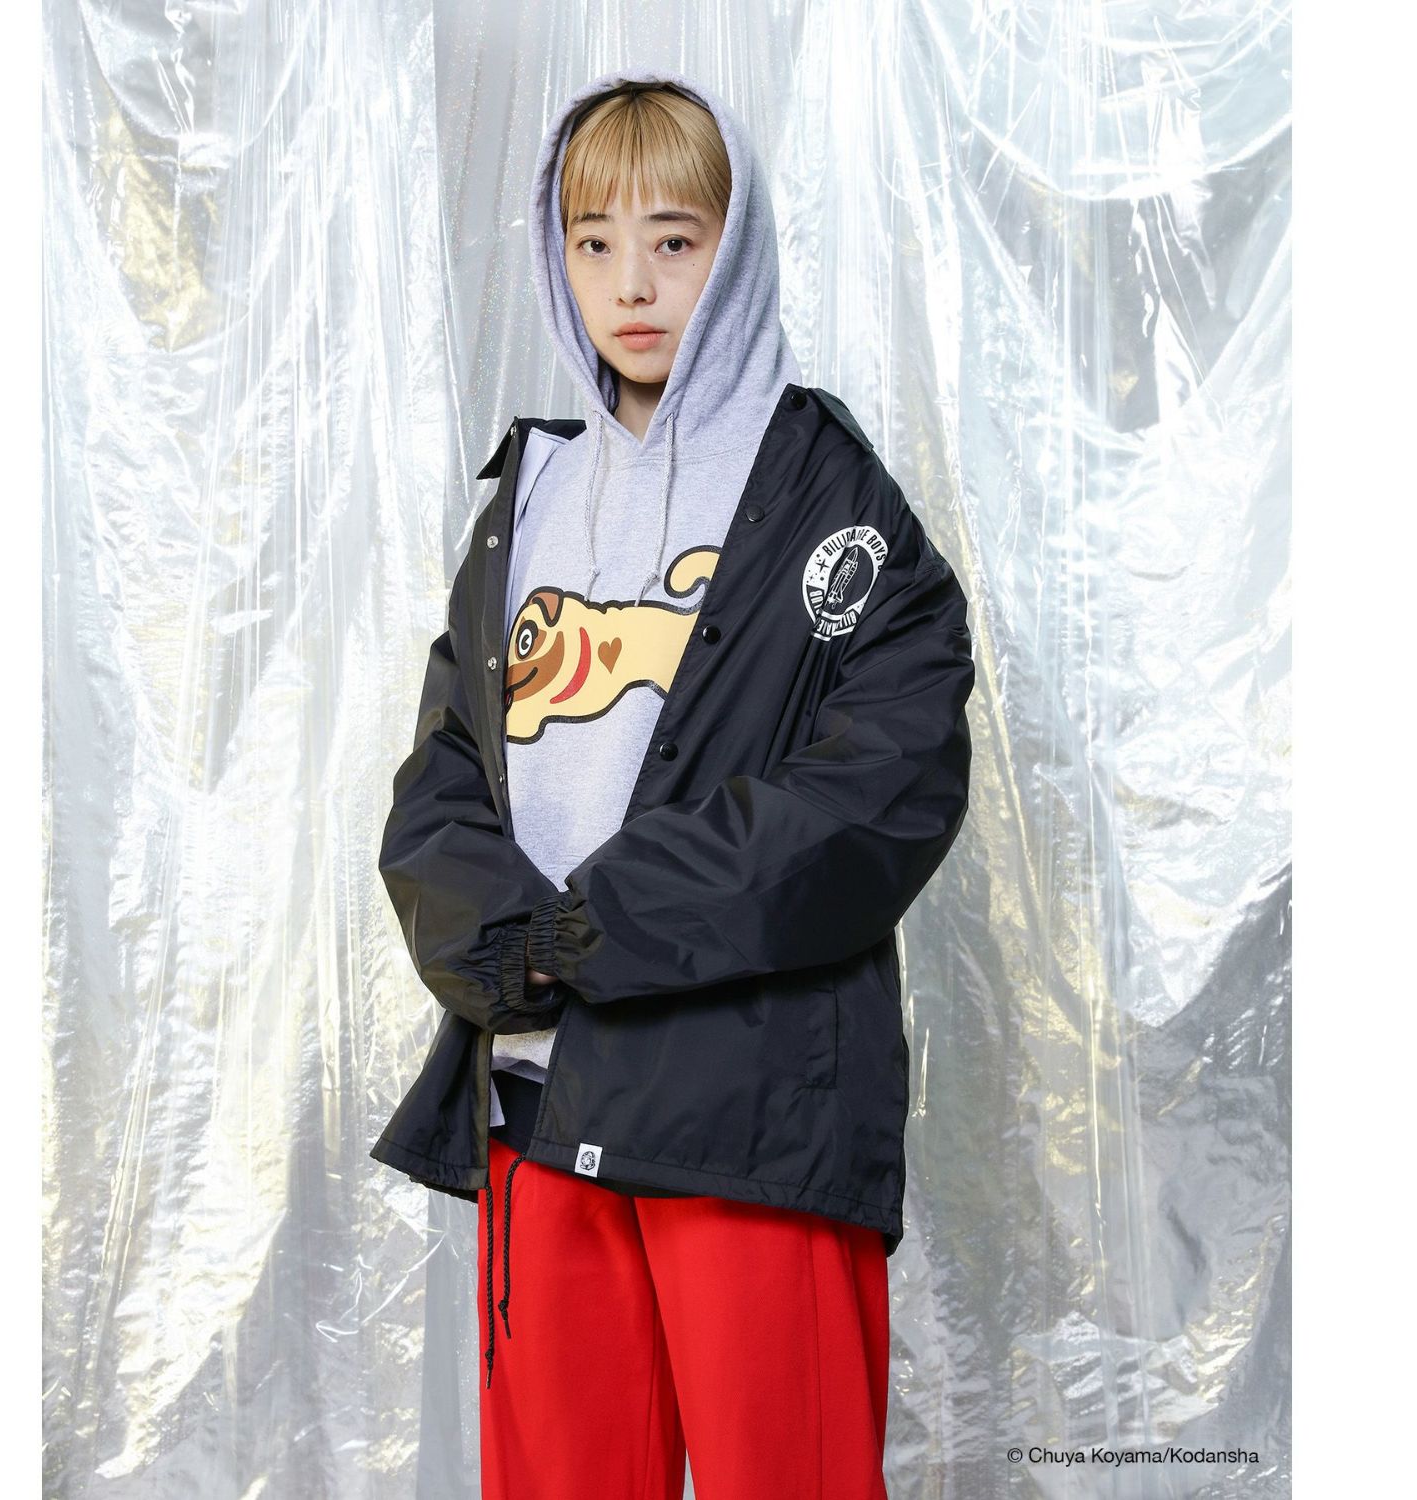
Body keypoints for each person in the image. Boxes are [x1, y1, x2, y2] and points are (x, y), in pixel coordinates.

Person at [371, 70, 975, 1500]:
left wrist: (595, 927)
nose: (631, 284)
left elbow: (877, 794)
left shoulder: (831, 499)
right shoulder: (528, 499)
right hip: (537, 1099)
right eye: (594, 242)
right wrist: (505, 949)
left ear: (735, 245)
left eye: (673, 239)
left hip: (748, 1112)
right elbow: (444, 776)